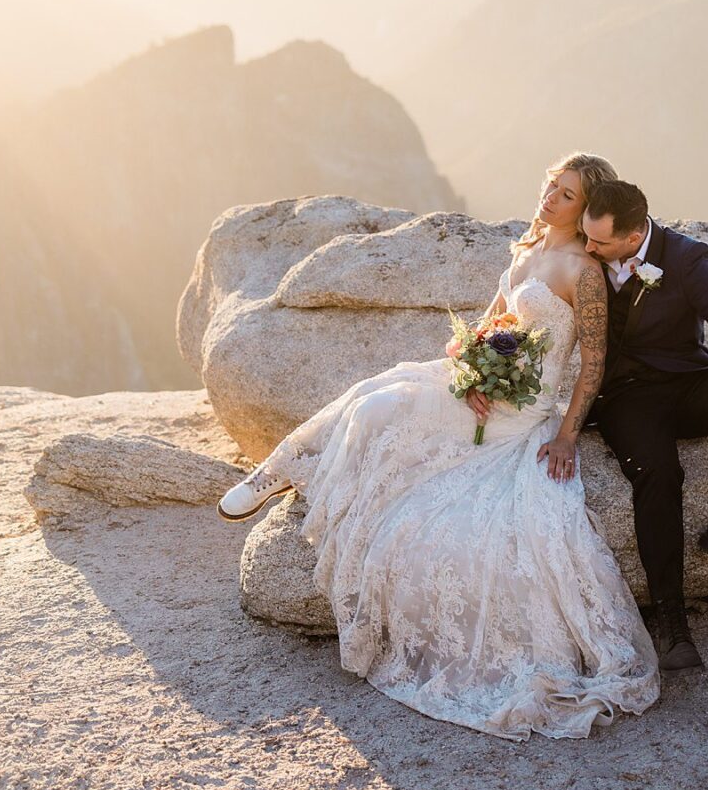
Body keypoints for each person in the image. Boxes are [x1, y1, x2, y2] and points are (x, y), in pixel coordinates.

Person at [216, 152, 659, 741]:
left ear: (587, 211)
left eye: (567, 194)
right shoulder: (526, 251)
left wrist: (566, 435)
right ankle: (280, 470)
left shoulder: (586, 274)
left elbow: (592, 365)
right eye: (552, 184)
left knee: (409, 462)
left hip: (523, 414)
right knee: (377, 400)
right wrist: (472, 373)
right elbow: (492, 325)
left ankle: (295, 472)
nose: (550, 197)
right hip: (482, 391)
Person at [579, 179, 708, 675]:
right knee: (660, 476)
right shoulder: (584, 252)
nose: (588, 248)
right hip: (627, 399)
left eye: (599, 242)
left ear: (634, 238)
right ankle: (671, 622)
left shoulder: (687, 258)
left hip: (686, 384)